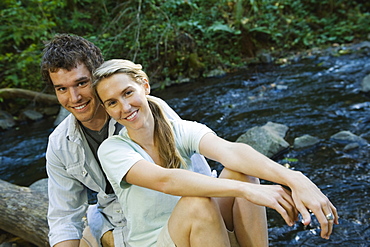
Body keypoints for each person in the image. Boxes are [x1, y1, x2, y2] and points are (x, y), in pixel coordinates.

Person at [93, 59, 339, 247]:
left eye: (128, 93)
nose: (124, 107)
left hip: (206, 233)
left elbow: (232, 151)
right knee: (197, 202)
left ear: (144, 86)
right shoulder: (113, 149)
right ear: (106, 108)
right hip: (158, 242)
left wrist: (294, 178)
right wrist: (249, 191)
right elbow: (166, 181)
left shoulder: (180, 130)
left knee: (241, 172)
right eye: (112, 102)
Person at [41, 34, 228, 247]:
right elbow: (64, 217)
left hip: (177, 218)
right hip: (119, 225)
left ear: (98, 78)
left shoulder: (143, 112)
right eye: (62, 89)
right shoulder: (59, 144)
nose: (74, 98)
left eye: (81, 83)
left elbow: (194, 174)